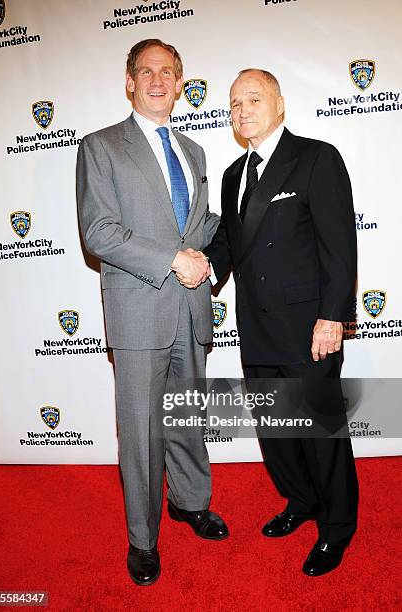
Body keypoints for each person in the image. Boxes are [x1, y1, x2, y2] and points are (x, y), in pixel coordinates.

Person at [76, 39, 228, 587]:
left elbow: (200, 228)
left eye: (169, 72)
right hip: (139, 309)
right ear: (129, 81)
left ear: (181, 82)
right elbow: (98, 232)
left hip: (191, 309)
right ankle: (143, 539)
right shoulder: (101, 146)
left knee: (188, 417)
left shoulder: (195, 151)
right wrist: (171, 258)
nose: (158, 80)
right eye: (147, 71)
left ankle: (190, 502)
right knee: (141, 433)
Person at [203, 68, 359, 576]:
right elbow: (230, 241)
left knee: (319, 432)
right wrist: (205, 268)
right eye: (233, 103)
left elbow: (340, 247)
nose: (242, 110)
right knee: (275, 431)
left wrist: (332, 318)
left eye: (253, 98)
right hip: (257, 329)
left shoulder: (316, 157)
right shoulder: (231, 176)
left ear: (280, 104)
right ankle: (300, 501)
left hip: (309, 329)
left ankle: (337, 528)